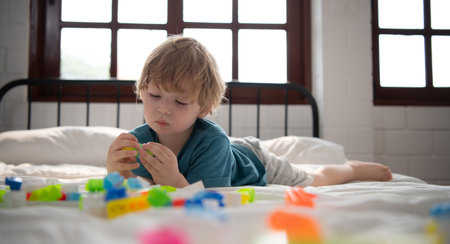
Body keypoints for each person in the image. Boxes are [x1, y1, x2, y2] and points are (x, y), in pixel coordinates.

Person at [106, 35, 392, 188]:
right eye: (155, 95)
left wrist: (174, 181)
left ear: (204, 108)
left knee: (314, 181)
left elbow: (211, 199)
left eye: (180, 102)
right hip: (230, 152)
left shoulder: (211, 142)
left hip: (254, 160)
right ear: (141, 91)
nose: (164, 108)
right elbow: (135, 189)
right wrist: (116, 171)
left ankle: (350, 168)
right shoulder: (139, 140)